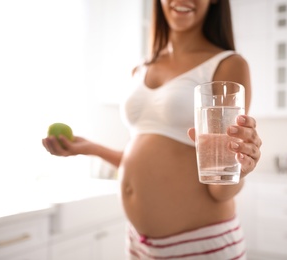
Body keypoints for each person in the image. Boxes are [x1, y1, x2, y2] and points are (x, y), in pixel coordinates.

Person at [42, 0, 262, 259]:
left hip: (200, 244)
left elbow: (220, 187)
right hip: (139, 244)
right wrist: (90, 148)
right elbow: (148, 159)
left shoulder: (227, 64)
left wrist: (239, 167)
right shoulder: (140, 69)